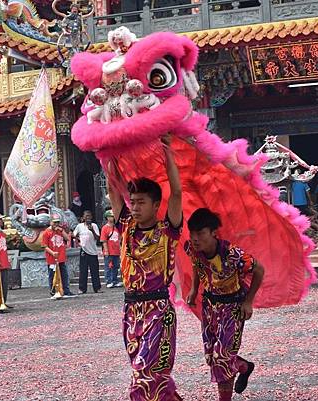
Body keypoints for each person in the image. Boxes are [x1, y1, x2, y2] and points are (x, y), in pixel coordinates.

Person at [107, 135, 183, 401]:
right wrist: (110, 154)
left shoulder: (167, 230)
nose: (135, 207)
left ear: (155, 205)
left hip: (159, 311)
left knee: (143, 375)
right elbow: (112, 190)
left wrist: (168, 153)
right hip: (131, 311)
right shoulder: (125, 226)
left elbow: (176, 192)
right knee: (152, 376)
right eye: (133, 201)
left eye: (141, 202)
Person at [185, 208, 264, 401]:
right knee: (212, 357)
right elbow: (197, 265)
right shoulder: (192, 248)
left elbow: (259, 270)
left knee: (222, 357)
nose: (195, 239)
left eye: (200, 234)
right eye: (192, 234)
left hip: (233, 307)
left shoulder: (233, 254)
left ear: (213, 233)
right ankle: (243, 366)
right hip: (209, 306)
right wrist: (194, 289)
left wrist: (249, 301)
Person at [43, 215, 75, 298]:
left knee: (64, 274)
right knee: (53, 275)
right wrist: (52, 252)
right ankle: (54, 291)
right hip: (52, 258)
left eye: (57, 222)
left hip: (61, 257)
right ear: (50, 222)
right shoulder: (46, 232)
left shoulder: (60, 231)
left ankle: (66, 290)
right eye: (54, 222)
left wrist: (61, 230)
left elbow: (67, 239)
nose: (56, 224)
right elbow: (44, 246)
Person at [73, 210, 102, 294]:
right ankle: (82, 289)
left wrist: (92, 230)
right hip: (84, 251)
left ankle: (97, 288)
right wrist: (78, 241)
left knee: (95, 271)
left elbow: (97, 238)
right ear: (83, 217)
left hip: (93, 251)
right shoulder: (79, 226)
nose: (88, 217)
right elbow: (74, 235)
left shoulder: (94, 226)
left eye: (89, 216)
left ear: (91, 217)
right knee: (83, 270)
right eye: (86, 216)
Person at [100, 209, 121, 288]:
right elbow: (104, 240)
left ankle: (115, 280)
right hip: (109, 250)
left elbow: (119, 238)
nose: (112, 218)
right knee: (108, 266)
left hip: (116, 250)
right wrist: (106, 250)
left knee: (116, 266)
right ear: (107, 218)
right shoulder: (105, 228)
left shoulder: (117, 227)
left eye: (113, 216)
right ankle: (108, 281)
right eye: (110, 216)